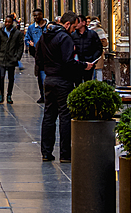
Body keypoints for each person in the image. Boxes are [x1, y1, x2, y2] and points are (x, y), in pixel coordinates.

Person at [36, 11, 94, 163]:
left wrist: (48, 68)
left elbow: (38, 58)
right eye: (74, 27)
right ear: (67, 24)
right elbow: (68, 61)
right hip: (63, 81)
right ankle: (65, 154)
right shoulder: (65, 38)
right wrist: (84, 66)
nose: (74, 30)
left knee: (49, 115)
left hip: (48, 79)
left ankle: (46, 152)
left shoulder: (44, 36)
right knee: (65, 116)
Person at [0, 13, 24, 104]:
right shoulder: (0, 33)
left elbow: (20, 46)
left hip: (11, 59)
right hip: (2, 58)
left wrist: (17, 57)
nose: (7, 23)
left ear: (12, 23)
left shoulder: (17, 33)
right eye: (6, 22)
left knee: (11, 78)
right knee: (1, 77)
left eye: (9, 22)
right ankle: (1, 95)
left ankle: (9, 95)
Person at [24, 9, 48, 102]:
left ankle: (47, 96)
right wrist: (30, 44)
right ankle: (43, 95)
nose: (35, 17)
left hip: (48, 54)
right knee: (40, 76)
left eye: (37, 15)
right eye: (34, 16)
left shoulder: (48, 26)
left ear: (42, 15)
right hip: (38, 55)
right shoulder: (31, 28)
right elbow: (27, 38)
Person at [70, 14, 104, 79]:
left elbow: (99, 48)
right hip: (78, 64)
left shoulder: (92, 34)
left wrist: (92, 60)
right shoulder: (73, 35)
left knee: (88, 81)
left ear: (83, 23)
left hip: (89, 63)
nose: (76, 24)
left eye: (78, 22)